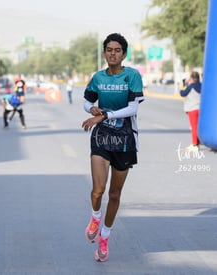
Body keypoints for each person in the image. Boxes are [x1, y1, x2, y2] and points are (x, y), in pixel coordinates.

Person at [81, 33, 144, 262]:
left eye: (117, 50)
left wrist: (105, 113)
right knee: (98, 190)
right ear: (104, 52)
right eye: (109, 49)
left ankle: (105, 237)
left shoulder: (133, 76)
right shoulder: (98, 77)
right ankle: (95, 216)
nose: (113, 53)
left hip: (125, 138)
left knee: (115, 194)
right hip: (102, 136)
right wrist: (92, 110)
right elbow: (87, 100)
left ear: (124, 54)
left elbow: (133, 109)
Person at [180, 71, 202, 151]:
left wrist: (183, 85)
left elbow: (182, 93)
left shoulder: (190, 86)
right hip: (200, 109)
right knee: (198, 127)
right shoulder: (202, 86)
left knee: (194, 127)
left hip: (192, 109)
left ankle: (194, 144)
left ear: (191, 78)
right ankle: (198, 143)